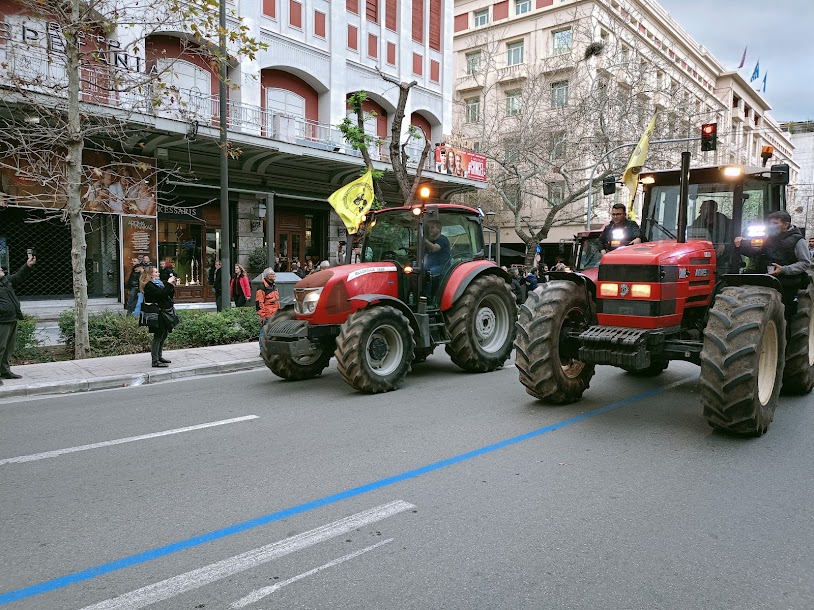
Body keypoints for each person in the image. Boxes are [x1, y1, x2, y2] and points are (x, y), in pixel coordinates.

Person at [735, 211, 812, 318]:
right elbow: (757, 253)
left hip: (788, 283)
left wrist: (784, 269)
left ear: (786, 224)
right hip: (767, 280)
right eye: (771, 223)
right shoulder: (769, 238)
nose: (772, 226)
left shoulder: (798, 240)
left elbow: (805, 263)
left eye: (775, 223)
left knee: (787, 314)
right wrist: (742, 245)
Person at [0, 254, 36, 383]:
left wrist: (27, 265)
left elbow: (18, 277)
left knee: (8, 348)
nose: (1, 270)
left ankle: (4, 371)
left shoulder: (5, 282)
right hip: (1, 321)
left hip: (11, 319)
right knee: (0, 347)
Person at [140, 266, 176, 368]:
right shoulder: (149, 286)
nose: (158, 273)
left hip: (163, 311)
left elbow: (168, 294)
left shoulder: (158, 283)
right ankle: (155, 360)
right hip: (157, 313)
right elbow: (161, 294)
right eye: (156, 272)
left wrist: (171, 285)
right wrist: (168, 283)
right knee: (158, 335)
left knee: (164, 334)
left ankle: (159, 356)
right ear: (150, 274)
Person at [256, 268, 280, 355]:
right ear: (267, 276)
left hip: (275, 313)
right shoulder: (262, 287)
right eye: (272, 275)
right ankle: (262, 351)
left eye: (274, 275)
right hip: (267, 314)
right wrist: (262, 315)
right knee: (264, 333)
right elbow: (259, 303)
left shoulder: (274, 286)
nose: (274, 276)